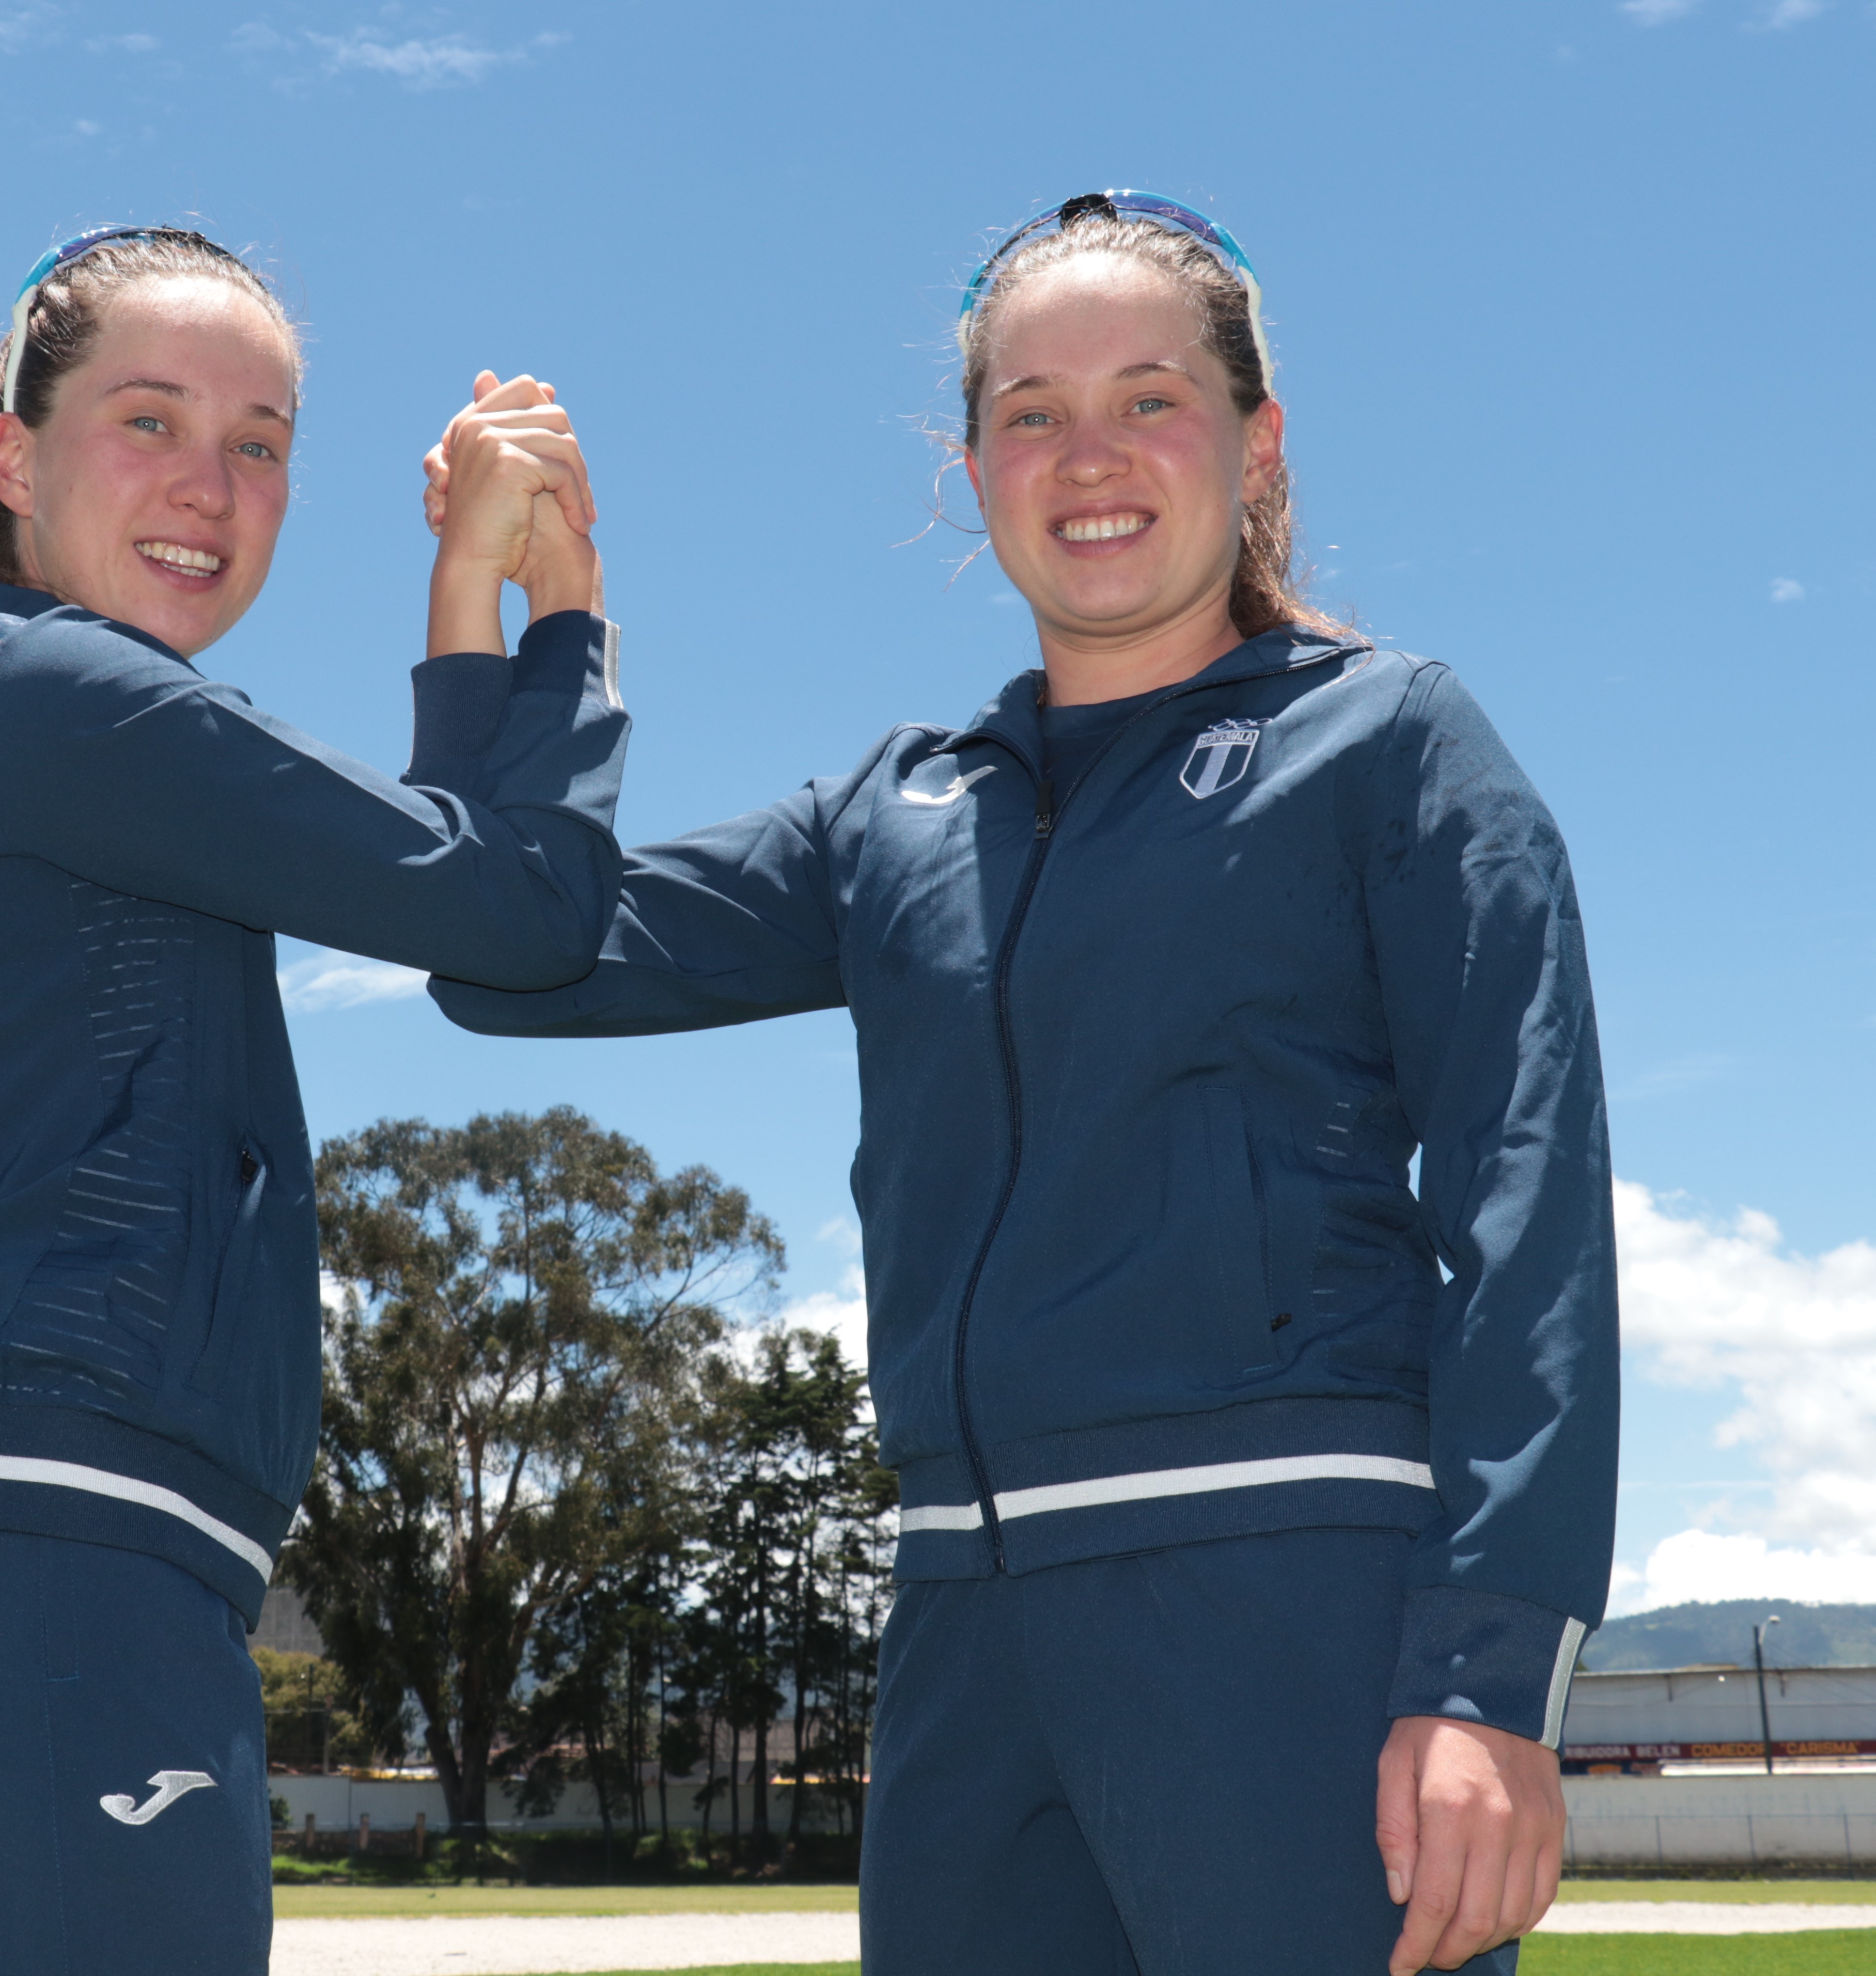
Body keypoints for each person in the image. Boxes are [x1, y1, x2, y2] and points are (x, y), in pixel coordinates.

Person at [429, 193, 1617, 1975]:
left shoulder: (1389, 744)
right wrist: (528, 625)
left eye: (1150, 398)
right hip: (962, 1636)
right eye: (1030, 414)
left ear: (1254, 438)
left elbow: (1528, 1203)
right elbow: (508, 952)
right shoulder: (889, 814)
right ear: (970, 467)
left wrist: (1488, 1669)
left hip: (1285, 1594)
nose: (1090, 457)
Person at [0, 226, 627, 1975]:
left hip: (55, 1562)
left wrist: (467, 588)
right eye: (149, 420)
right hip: (52, 1558)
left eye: (259, 444)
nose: (212, 483)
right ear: (10, 456)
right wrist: (564, 607)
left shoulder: (45, 719)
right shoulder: (59, 696)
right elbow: (519, 913)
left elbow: (465, 899)